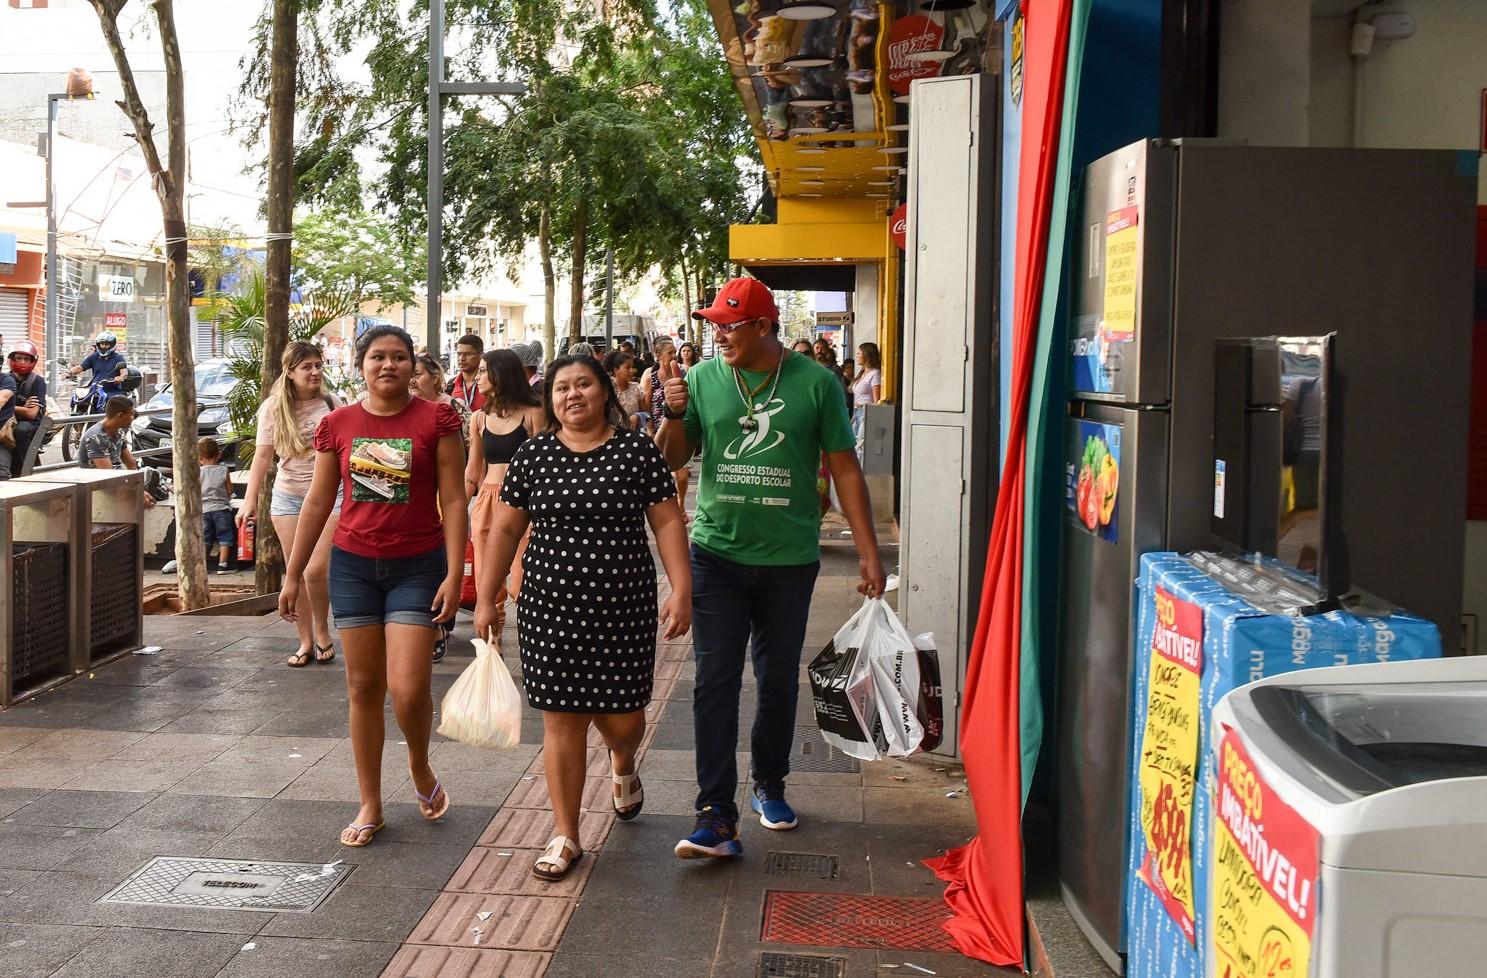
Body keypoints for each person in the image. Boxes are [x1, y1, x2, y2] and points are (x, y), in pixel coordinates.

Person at [656, 277, 885, 858]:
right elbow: (675, 458)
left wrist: (868, 550)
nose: (719, 334)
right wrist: (673, 414)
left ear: (763, 326)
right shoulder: (706, 379)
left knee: (778, 677)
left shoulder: (816, 384)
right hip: (716, 556)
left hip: (789, 559)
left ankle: (770, 784)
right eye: (714, 325)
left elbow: (845, 468)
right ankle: (715, 814)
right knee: (715, 680)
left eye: (729, 325)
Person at [473, 353, 691, 881]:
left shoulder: (635, 451)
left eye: (584, 385)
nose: (573, 395)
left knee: (623, 719)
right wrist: (487, 596)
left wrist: (681, 586)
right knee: (562, 720)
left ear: (604, 393)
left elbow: (665, 521)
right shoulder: (534, 455)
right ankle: (566, 833)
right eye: (562, 388)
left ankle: (622, 762)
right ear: (550, 399)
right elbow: (503, 530)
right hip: (548, 607)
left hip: (623, 606)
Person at [280, 324, 466, 847]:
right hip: (354, 567)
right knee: (362, 688)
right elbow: (318, 501)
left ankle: (419, 762)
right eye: (378, 357)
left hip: (418, 567)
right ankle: (370, 802)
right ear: (360, 365)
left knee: (408, 687)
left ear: (413, 366)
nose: (389, 365)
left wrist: (456, 572)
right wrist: (293, 574)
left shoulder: (437, 419)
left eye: (400, 357)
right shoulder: (338, 424)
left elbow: (454, 499)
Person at [239, 342, 343, 667]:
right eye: (307, 366)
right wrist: (249, 500)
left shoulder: (332, 403)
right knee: (294, 571)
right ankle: (305, 640)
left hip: (329, 495)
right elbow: (263, 455)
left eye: (318, 365)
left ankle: (323, 630)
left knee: (315, 569)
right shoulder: (273, 408)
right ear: (290, 371)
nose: (314, 372)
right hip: (288, 495)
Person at [465, 348, 544, 649]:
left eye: (485, 370)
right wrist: (455, 513)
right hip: (486, 501)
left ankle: (535, 643)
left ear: (502, 375)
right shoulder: (478, 419)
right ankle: (491, 646)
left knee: (521, 582)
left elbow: (544, 465)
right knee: (488, 579)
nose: (479, 376)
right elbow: (473, 473)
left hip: (523, 504)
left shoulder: (532, 413)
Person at [638, 337, 692, 518]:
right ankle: (668, 511)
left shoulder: (682, 374)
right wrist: (650, 430)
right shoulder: (651, 377)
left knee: (682, 476)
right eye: (669, 353)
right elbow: (646, 407)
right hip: (659, 432)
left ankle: (681, 503)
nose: (673, 356)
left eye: (673, 352)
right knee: (662, 475)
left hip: (679, 430)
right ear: (659, 356)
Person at [78, 395, 158, 508]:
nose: (133, 417)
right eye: (130, 414)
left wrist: (138, 488)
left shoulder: (118, 433)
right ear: (120, 415)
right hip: (98, 489)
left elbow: (131, 464)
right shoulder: (96, 436)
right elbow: (109, 476)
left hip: (117, 483)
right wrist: (136, 492)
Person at [413, 353, 472, 449]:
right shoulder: (402, 408)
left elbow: (473, 446)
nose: (411, 381)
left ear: (435, 379)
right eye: (408, 375)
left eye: (417, 375)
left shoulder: (456, 406)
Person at [7, 341, 46, 477]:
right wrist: (21, 408)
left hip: (31, 425)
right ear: (12, 359)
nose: (22, 362)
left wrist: (10, 407)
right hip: (8, 421)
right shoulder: (6, 379)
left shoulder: (37, 381)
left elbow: (31, 413)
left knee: (21, 430)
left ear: (32, 361)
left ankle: (26, 472)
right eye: (19, 358)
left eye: (26, 359)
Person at [199, 437, 235, 575]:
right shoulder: (223, 470)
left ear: (200, 457)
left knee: (205, 538)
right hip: (222, 510)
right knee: (225, 537)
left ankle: (203, 565)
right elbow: (230, 490)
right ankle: (223, 565)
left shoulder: (198, 472)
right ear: (218, 454)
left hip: (204, 510)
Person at [68, 330, 129, 408]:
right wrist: (68, 373)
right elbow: (80, 367)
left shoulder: (118, 358)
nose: (103, 346)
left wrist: (120, 378)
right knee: (77, 399)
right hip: (95, 389)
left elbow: (124, 372)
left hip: (111, 389)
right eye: (102, 344)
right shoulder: (94, 356)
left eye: (106, 344)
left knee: (111, 401)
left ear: (112, 344)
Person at [852, 341, 883, 459]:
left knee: (860, 446)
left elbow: (877, 400)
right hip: (857, 413)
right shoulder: (862, 374)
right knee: (854, 444)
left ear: (867, 355)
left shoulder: (875, 374)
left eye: (860, 353)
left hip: (866, 413)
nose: (857, 355)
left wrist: (863, 405)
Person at [606, 350, 644, 429]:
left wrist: (637, 416)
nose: (631, 371)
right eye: (627, 368)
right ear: (616, 370)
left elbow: (646, 413)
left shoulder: (637, 388)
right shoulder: (608, 390)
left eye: (632, 367)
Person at [447, 334, 485, 413]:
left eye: (468, 354)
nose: (461, 358)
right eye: (459, 354)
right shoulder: (451, 385)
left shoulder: (488, 383)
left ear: (481, 355)